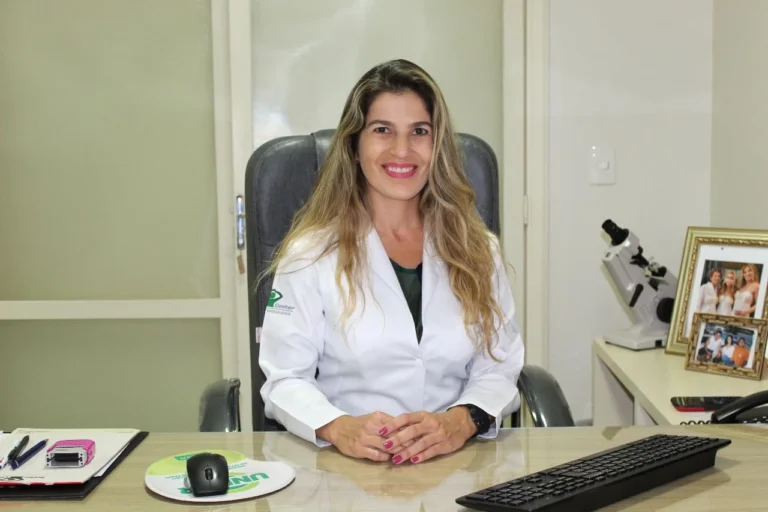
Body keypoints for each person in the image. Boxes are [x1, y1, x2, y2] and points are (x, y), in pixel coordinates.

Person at [257, 59, 524, 466]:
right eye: (382, 130)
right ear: (354, 144)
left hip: (457, 466)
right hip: (347, 468)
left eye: (419, 132)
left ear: (437, 145)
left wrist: (460, 421)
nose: (402, 150)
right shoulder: (310, 254)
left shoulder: (478, 251)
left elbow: (499, 367)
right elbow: (285, 379)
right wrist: (339, 427)